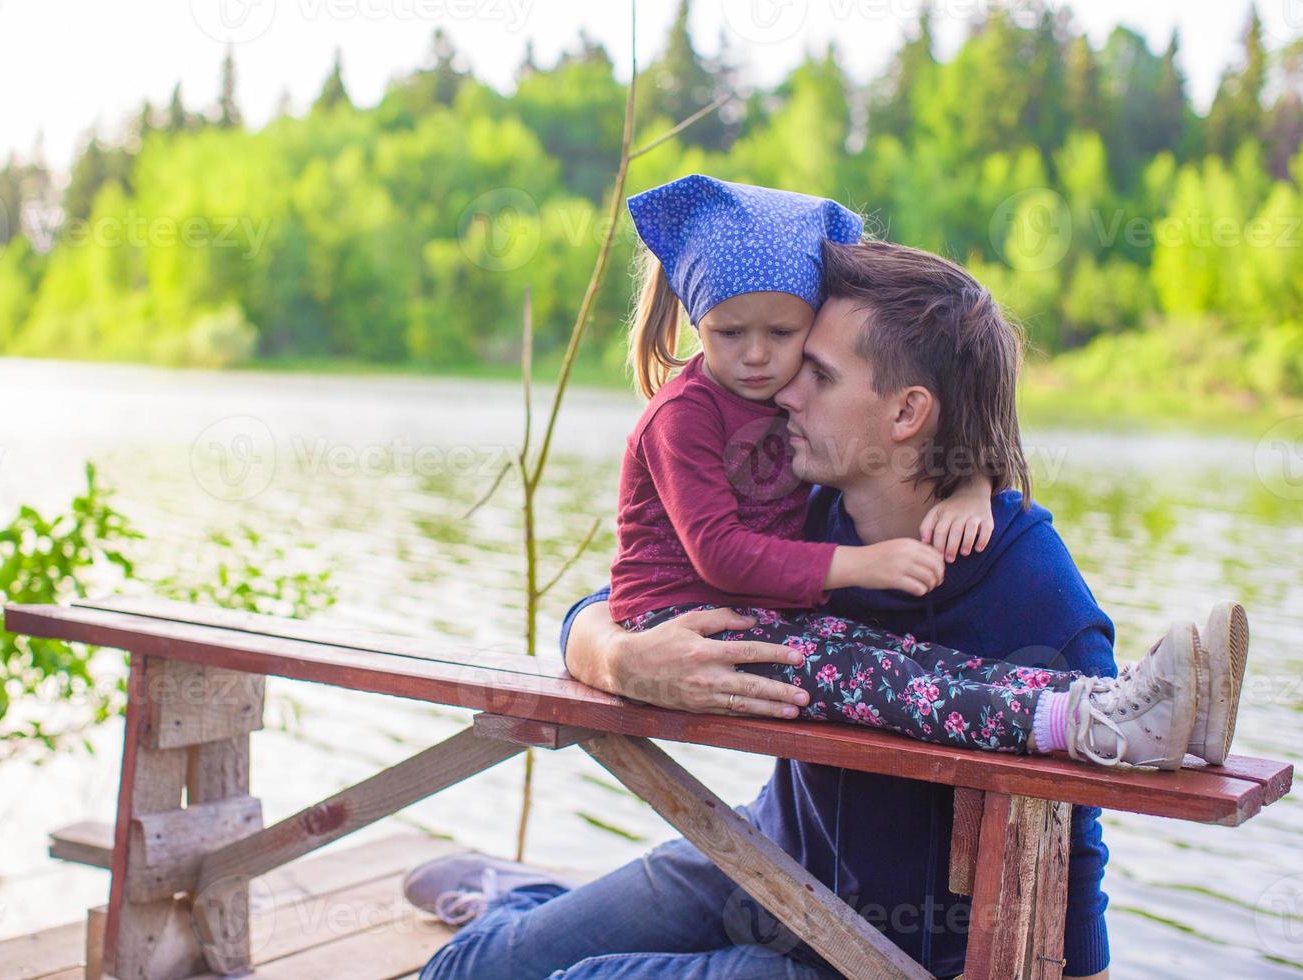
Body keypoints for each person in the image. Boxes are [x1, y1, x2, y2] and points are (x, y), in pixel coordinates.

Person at [404, 179, 1251, 980]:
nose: (779, 390)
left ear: (908, 413)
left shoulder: (1030, 589)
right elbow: (621, 596)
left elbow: (1077, 846)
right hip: (753, 861)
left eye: (816, 372)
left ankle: (517, 899)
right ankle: (507, 902)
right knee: (472, 970)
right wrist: (620, 660)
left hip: (860, 952)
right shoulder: (808, 503)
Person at [606, 175, 1227, 767]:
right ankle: (1105, 726)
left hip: (749, 621)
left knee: (912, 663)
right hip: (696, 627)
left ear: (907, 411)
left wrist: (977, 482)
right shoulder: (711, 419)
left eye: (805, 360)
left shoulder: (1026, 571)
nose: (773, 370)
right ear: (699, 323)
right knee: (884, 678)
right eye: (731, 332)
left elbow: (971, 424)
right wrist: (613, 659)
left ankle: (1142, 712)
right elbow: (677, 569)